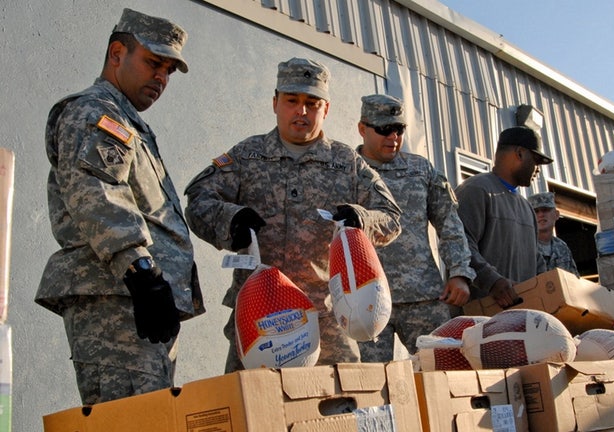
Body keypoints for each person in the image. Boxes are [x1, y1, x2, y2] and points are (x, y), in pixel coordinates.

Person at [184, 58, 401, 372]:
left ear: (325, 109)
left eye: (312, 104)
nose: (302, 111)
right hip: (259, 317)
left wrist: (360, 221)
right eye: (292, 101)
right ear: (275, 103)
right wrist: (230, 219)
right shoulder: (248, 155)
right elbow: (198, 198)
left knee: (337, 411)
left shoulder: (346, 163)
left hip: (325, 318)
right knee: (254, 412)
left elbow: (390, 216)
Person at [35, 8, 204, 405]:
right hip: (118, 299)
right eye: (153, 63)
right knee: (131, 419)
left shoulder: (127, 122)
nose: (161, 77)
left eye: (168, 71)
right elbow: (96, 193)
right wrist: (140, 272)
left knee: (150, 417)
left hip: (138, 304)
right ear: (117, 53)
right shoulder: (95, 112)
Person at [354, 94, 475, 361]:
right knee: (371, 388)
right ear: (363, 128)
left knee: (445, 369)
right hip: (365, 302)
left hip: (423, 297)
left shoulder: (420, 170)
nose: (393, 137)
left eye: (399, 130)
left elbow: (449, 222)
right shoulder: (346, 171)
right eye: (384, 130)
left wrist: (459, 272)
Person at [454, 126, 552, 308]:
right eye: (536, 160)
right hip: (479, 320)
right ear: (520, 154)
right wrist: (492, 281)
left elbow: (537, 263)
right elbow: (459, 246)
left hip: (523, 318)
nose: (538, 170)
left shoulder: (527, 208)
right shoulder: (476, 190)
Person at [527, 192, 580, 276]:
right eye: (536, 211)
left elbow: (574, 279)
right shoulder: (525, 246)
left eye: (545, 209)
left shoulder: (562, 247)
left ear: (556, 214)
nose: (541, 214)